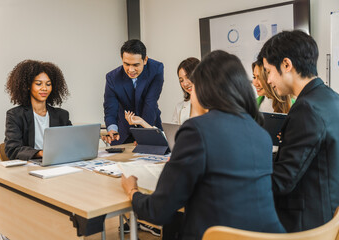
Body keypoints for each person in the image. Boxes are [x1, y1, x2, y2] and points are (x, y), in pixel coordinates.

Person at [121, 50, 285, 239]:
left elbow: (158, 211)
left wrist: (132, 190)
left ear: (205, 90)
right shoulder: (260, 133)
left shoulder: (196, 130)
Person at [258, 30, 339, 232]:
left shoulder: (306, 109)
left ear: (286, 64)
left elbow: (283, 181)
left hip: (302, 225)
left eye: (268, 71)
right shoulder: (331, 99)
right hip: (325, 215)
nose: (268, 81)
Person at [4, 60, 72, 160]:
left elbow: (72, 142)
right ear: (28, 86)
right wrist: (41, 153)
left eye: (48, 84)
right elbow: (12, 149)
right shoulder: (15, 115)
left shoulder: (62, 115)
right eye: (39, 84)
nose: (44, 88)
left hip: (56, 163)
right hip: (29, 166)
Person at [102, 39, 164, 145]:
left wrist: (143, 135)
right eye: (126, 64)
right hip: (123, 133)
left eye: (135, 65)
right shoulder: (112, 78)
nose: (131, 70)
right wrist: (112, 129)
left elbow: (150, 103)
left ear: (145, 60)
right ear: (122, 58)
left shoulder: (156, 69)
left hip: (148, 125)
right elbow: (110, 108)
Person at [124, 57, 205, 128]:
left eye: (188, 77)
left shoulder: (213, 104)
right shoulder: (180, 107)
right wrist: (141, 122)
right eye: (181, 80)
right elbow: (170, 137)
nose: (185, 83)